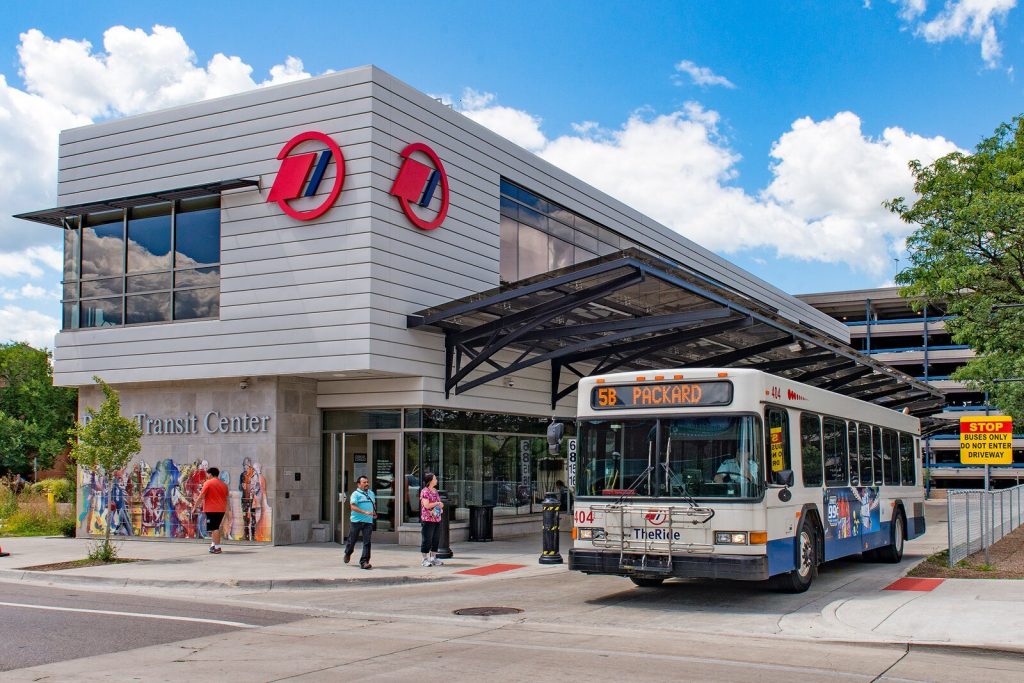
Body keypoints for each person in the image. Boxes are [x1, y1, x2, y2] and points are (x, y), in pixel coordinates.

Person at [191, 467, 229, 554]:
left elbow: (201, 496)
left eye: (207, 474)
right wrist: (227, 510)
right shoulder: (223, 484)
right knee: (214, 528)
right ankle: (213, 545)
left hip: (212, 509)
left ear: (210, 474)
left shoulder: (208, 483)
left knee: (214, 528)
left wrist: (194, 507)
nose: (206, 476)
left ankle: (217, 547)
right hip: (221, 509)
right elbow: (226, 498)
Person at [344, 475, 376, 570]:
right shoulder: (355, 494)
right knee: (352, 540)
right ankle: (348, 553)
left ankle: (364, 562)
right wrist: (364, 512)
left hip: (368, 521)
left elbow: (373, 504)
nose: (367, 484)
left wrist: (374, 512)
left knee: (367, 542)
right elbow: (353, 507)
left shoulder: (371, 493)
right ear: (359, 484)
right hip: (356, 521)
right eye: (364, 482)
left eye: (367, 482)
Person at [419, 473, 444, 567]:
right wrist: (437, 503)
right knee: (427, 539)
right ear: (430, 481)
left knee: (436, 539)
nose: (436, 480)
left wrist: (441, 506)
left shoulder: (435, 491)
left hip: (437, 519)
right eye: (435, 478)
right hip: (428, 519)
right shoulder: (424, 491)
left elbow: (439, 503)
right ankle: (424, 559)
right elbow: (426, 505)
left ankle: (433, 558)